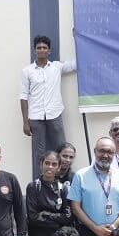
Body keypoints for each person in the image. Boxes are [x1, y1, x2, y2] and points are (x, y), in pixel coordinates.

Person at [20, 35, 77, 178]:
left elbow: (75, 65)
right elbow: (23, 96)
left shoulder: (57, 67)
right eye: (39, 48)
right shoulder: (27, 71)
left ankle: (64, 180)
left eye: (44, 48)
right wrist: (25, 122)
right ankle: (41, 181)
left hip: (54, 114)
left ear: (49, 50)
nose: (41, 50)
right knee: (39, 153)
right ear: (34, 50)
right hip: (35, 117)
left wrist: (77, 38)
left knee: (62, 149)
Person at [25, 150, 72, 236]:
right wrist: (57, 219)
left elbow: (68, 218)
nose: (50, 167)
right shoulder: (33, 187)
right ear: (41, 164)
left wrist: (45, 214)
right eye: (47, 163)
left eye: (54, 164)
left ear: (59, 167)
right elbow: (33, 218)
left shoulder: (63, 189)